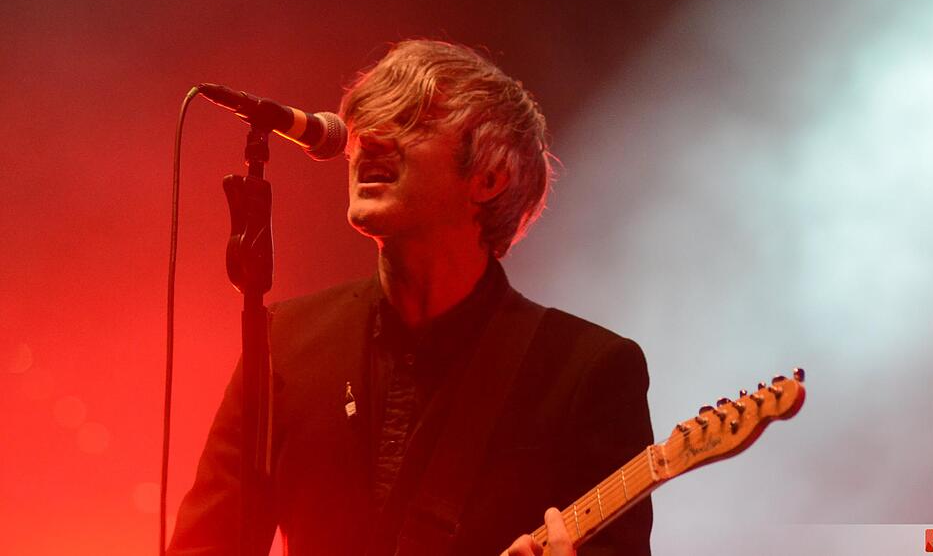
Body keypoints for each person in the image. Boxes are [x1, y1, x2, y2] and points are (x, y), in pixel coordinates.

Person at [167, 40, 653, 555]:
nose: (370, 139)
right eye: (366, 123)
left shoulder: (587, 371)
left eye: (411, 122)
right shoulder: (284, 342)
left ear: (490, 178)